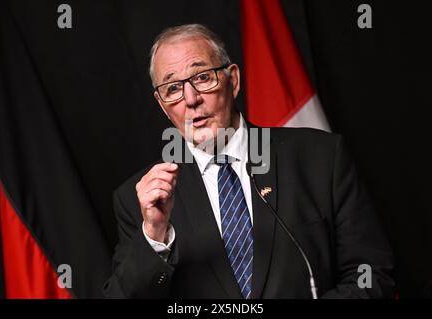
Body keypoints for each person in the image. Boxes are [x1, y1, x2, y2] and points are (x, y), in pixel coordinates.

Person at [103, 24, 395, 298]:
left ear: (233, 80)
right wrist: (154, 237)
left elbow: (371, 275)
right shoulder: (139, 200)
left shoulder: (321, 157)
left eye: (202, 77)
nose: (191, 99)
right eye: (173, 88)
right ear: (163, 106)